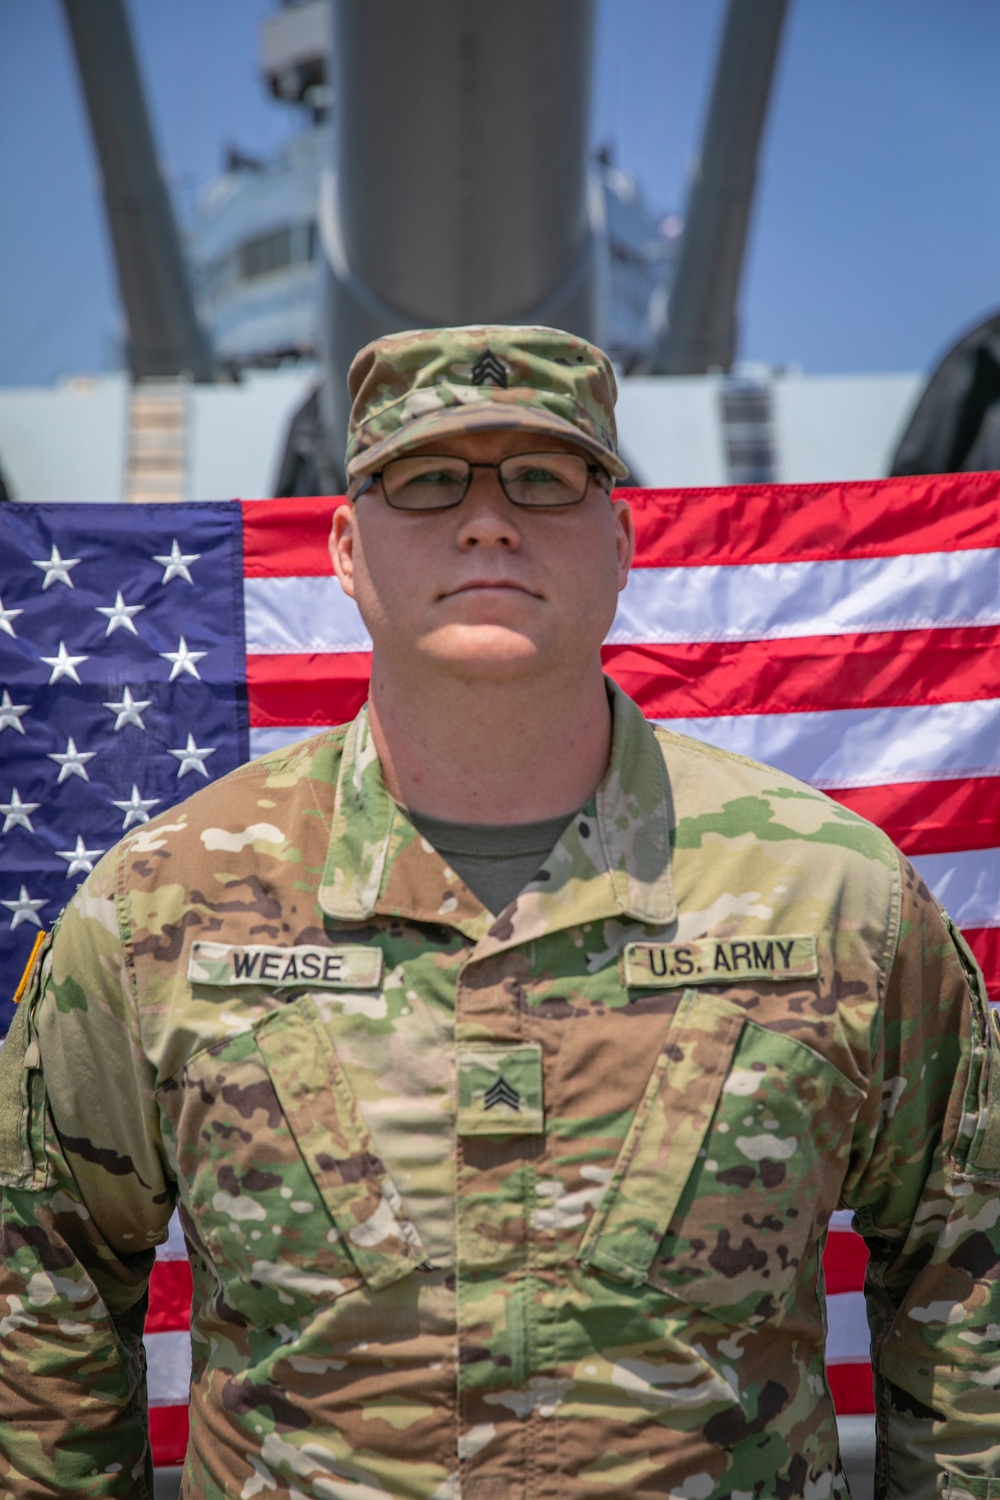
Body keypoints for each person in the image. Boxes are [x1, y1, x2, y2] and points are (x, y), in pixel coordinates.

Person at [0, 325, 997, 1500]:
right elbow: (42, 1295)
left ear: (620, 539)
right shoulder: (161, 905)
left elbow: (962, 1284)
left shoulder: (839, 899)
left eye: (543, 475)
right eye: (426, 481)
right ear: (345, 548)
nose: (486, 520)